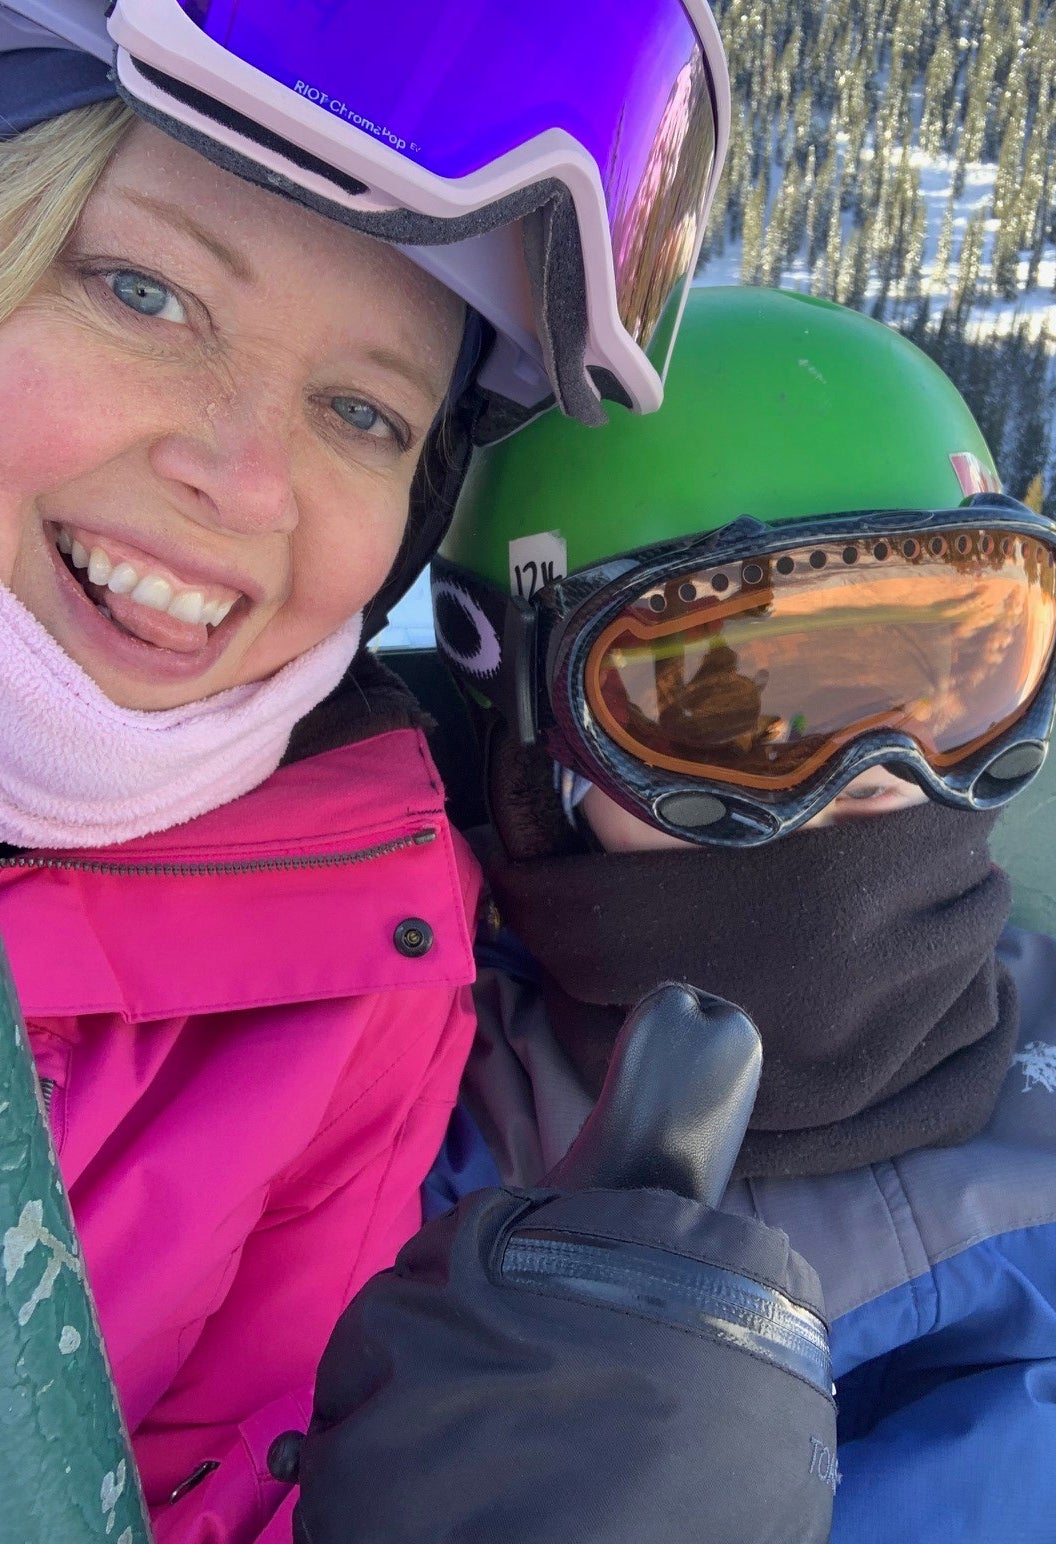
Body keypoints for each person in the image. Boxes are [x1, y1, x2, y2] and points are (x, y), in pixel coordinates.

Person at [0, 5, 788, 1542]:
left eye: (363, 411)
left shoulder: (356, 963)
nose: (240, 478)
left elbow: (210, 1493)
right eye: (145, 293)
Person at [430, 286, 1056, 1543]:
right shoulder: (459, 1137)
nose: (874, 769)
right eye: (728, 704)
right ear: (537, 749)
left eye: (947, 679)